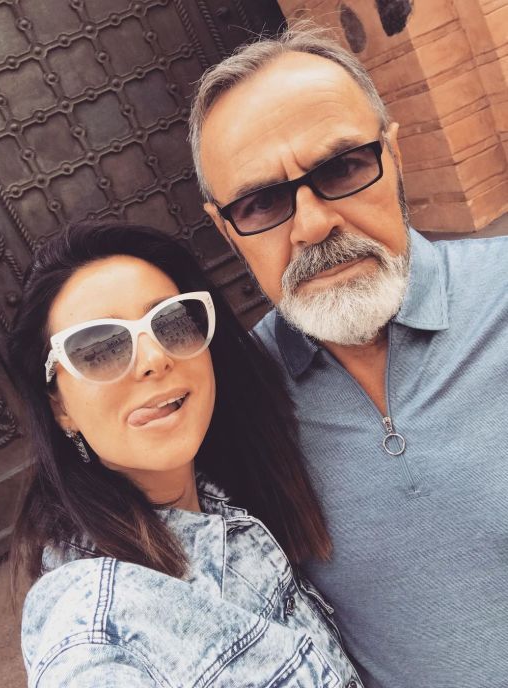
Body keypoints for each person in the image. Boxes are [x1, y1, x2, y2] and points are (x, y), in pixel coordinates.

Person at [189, 23, 508, 688]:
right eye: (261, 202)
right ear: (226, 229)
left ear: (394, 155)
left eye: (342, 168)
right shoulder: (237, 399)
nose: (313, 225)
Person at [9, 222, 364, 687]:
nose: (154, 358)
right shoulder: (94, 627)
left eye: (172, 322)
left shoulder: (227, 495)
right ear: (60, 408)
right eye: (98, 348)